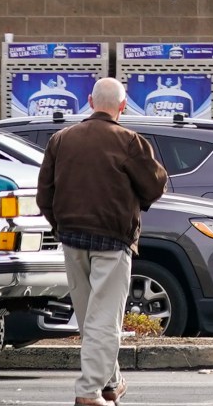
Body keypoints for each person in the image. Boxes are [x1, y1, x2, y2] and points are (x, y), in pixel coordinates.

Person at [36, 77, 168, 406]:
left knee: (89, 318)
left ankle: (111, 382)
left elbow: (44, 195)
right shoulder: (130, 141)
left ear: (90, 102)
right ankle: (88, 391)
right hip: (113, 239)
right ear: (123, 107)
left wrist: (59, 224)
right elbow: (154, 187)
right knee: (105, 320)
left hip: (71, 239)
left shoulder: (61, 139)